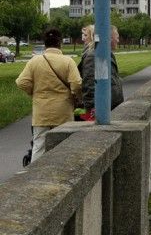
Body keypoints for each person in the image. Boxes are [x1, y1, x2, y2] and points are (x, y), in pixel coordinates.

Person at [15, 28, 82, 162]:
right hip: (63, 110)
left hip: (41, 111)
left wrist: (34, 92)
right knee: (64, 145)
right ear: (60, 43)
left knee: (39, 146)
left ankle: (35, 176)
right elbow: (76, 84)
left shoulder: (35, 61)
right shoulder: (67, 62)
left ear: (45, 44)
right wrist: (75, 96)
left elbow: (21, 82)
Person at [79, 25, 124, 117]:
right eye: (117, 38)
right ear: (109, 38)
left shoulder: (105, 55)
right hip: (102, 113)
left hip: (111, 110)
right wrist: (94, 112)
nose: (118, 41)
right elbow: (90, 86)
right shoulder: (94, 57)